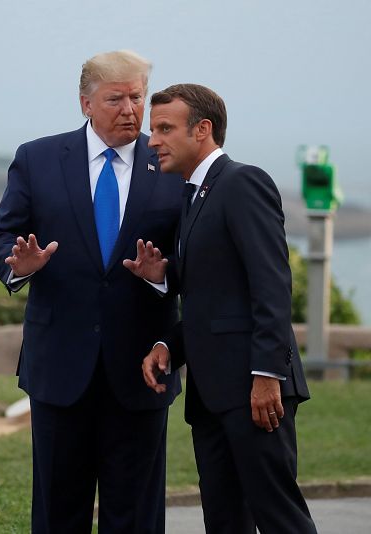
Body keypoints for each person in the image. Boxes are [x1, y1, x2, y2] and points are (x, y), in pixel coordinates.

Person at [0, 50, 184, 533]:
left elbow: (196, 254)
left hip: (141, 371)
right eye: (115, 99)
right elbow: (1, 237)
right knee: (58, 516)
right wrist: (19, 265)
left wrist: (163, 274)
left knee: (135, 519)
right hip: (59, 369)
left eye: (137, 97)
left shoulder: (169, 165)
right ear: (85, 103)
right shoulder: (37, 159)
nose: (130, 110)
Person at [137, 83, 316, 533]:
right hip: (211, 397)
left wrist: (267, 375)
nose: (153, 140)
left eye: (164, 128)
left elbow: (271, 285)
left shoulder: (242, 182)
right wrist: (168, 345)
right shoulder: (192, 196)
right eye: (153, 130)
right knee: (224, 521)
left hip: (255, 392)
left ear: (202, 129)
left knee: (280, 519)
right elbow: (211, 298)